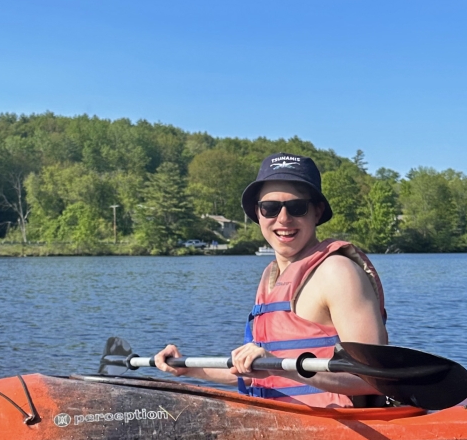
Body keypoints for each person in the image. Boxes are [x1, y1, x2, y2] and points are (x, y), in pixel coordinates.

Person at [155, 153, 388, 406]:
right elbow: (262, 374)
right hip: (282, 421)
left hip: (337, 428)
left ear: (317, 212)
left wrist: (280, 368)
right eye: (270, 208)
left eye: (297, 207)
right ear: (258, 213)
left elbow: (374, 378)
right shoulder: (271, 276)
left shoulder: (337, 272)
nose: (284, 219)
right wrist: (185, 368)